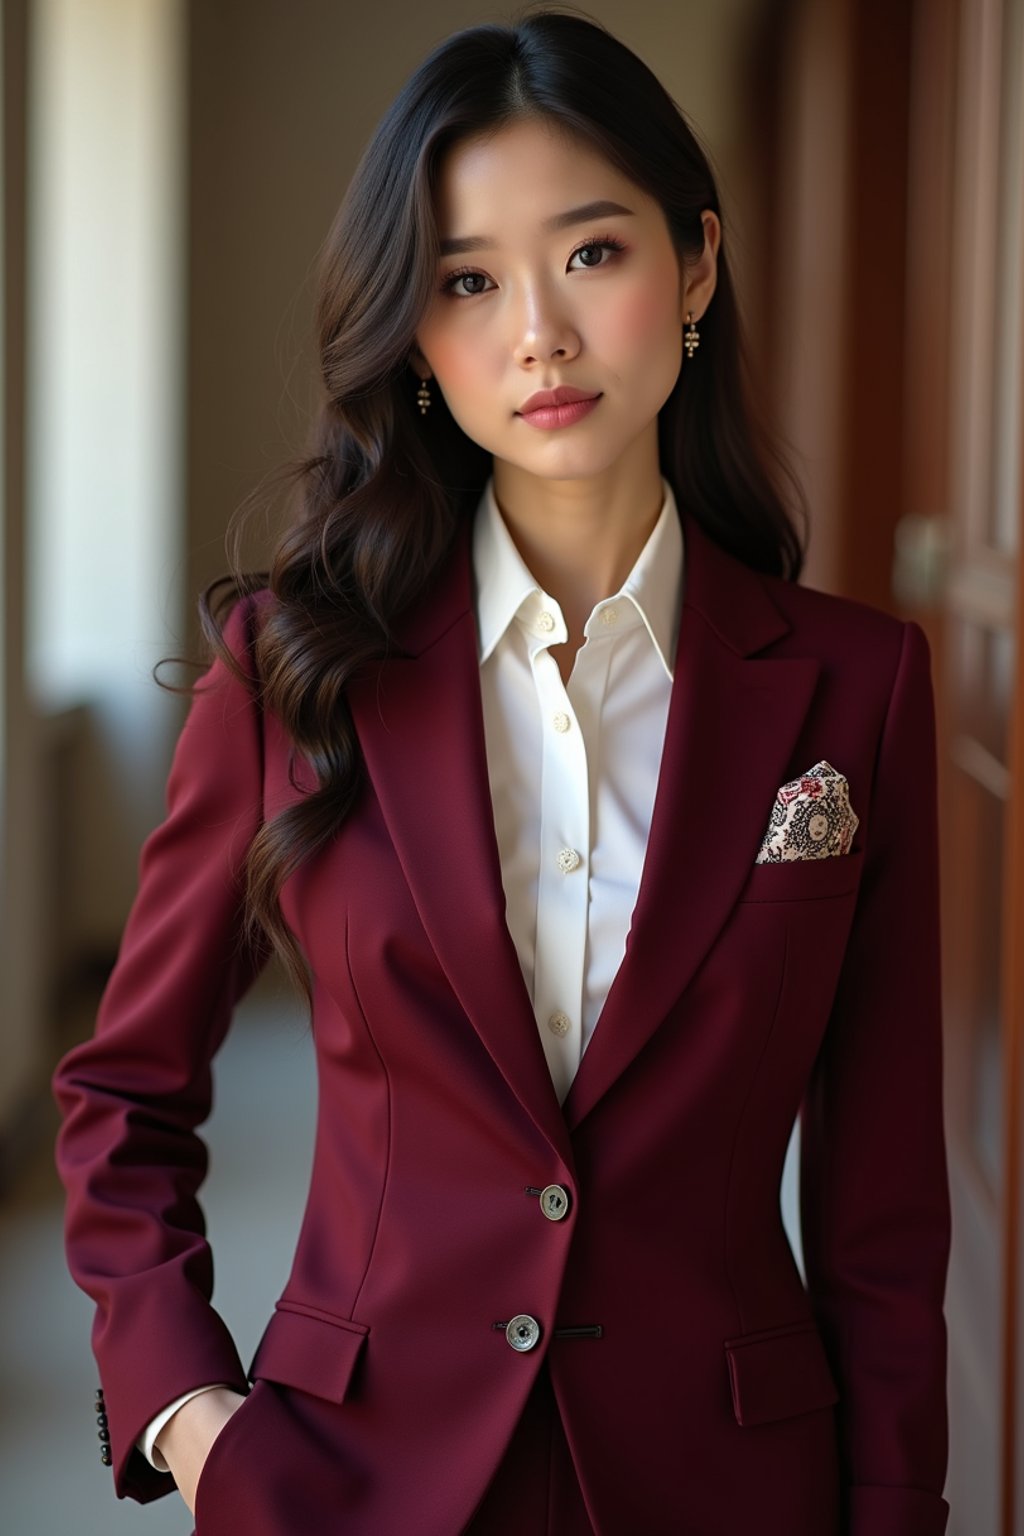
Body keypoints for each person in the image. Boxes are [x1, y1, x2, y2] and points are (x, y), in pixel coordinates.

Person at [52, 7, 952, 1533]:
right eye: (468, 280)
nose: (536, 328)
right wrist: (187, 1414)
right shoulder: (291, 666)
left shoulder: (857, 689)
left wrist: (895, 1509)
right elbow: (126, 1093)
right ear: (413, 334)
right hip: (350, 1480)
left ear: (698, 271)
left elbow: (882, 1199)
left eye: (592, 254)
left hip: (727, 1482)